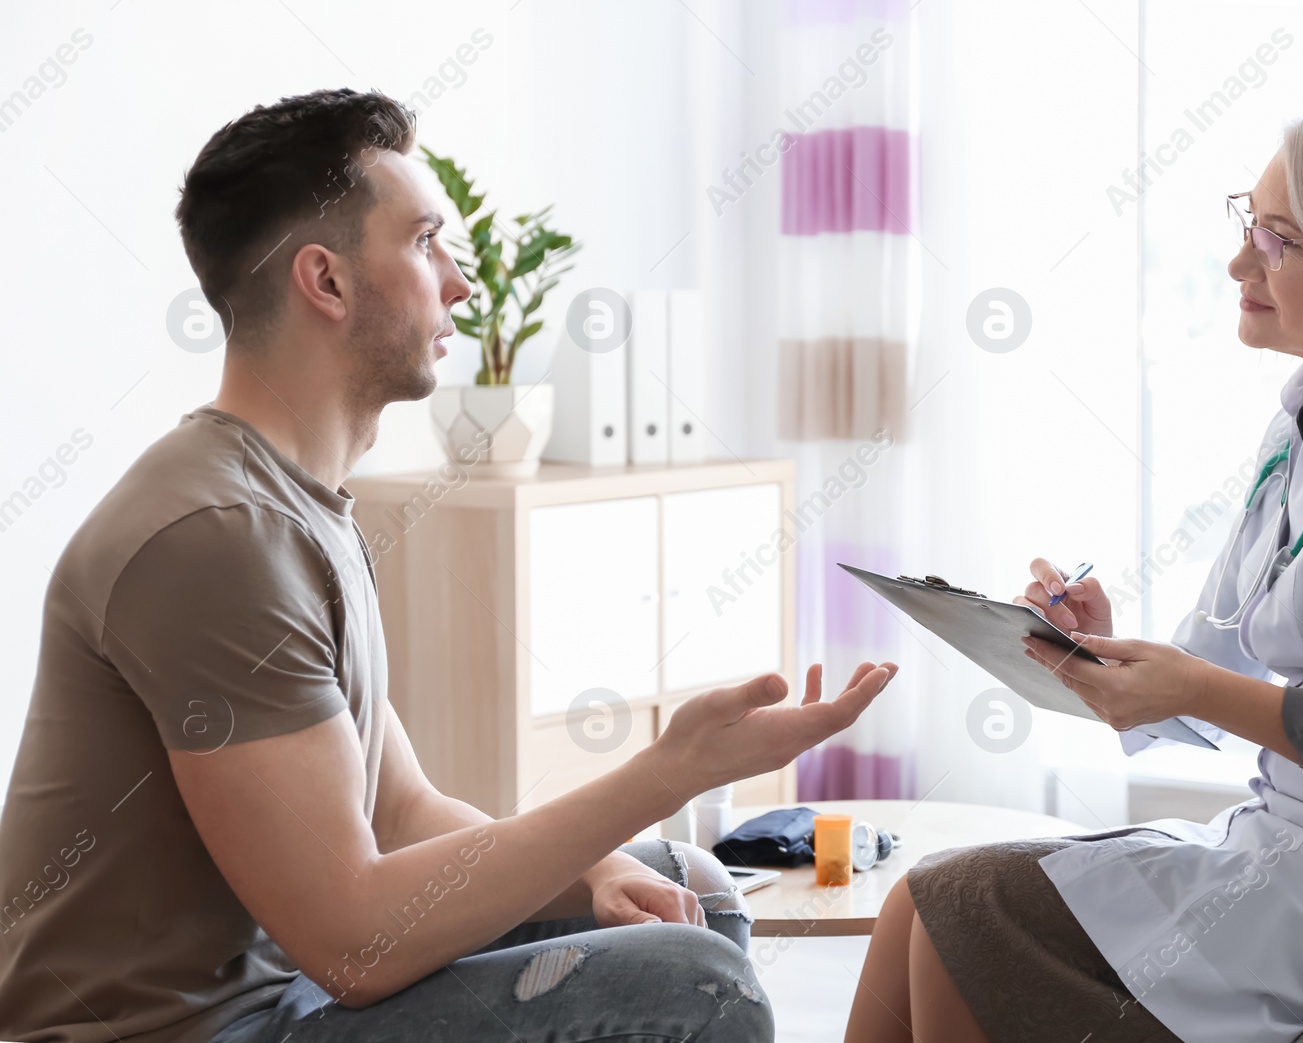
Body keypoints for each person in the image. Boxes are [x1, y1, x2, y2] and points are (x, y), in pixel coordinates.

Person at [0, 88, 898, 1043]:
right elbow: (352, 943)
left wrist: (598, 869)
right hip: (197, 1031)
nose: (460, 283)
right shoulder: (216, 536)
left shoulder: (296, 508)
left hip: (287, 997)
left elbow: (403, 806)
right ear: (327, 282)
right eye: (426, 240)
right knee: (696, 982)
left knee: (688, 887)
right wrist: (669, 770)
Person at [842, 102, 1303, 1043]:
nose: (1242, 264)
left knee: (968, 913)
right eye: (1250, 225)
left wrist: (1196, 684)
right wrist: (1095, 646)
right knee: (917, 902)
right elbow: (1207, 677)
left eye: (1280, 242)